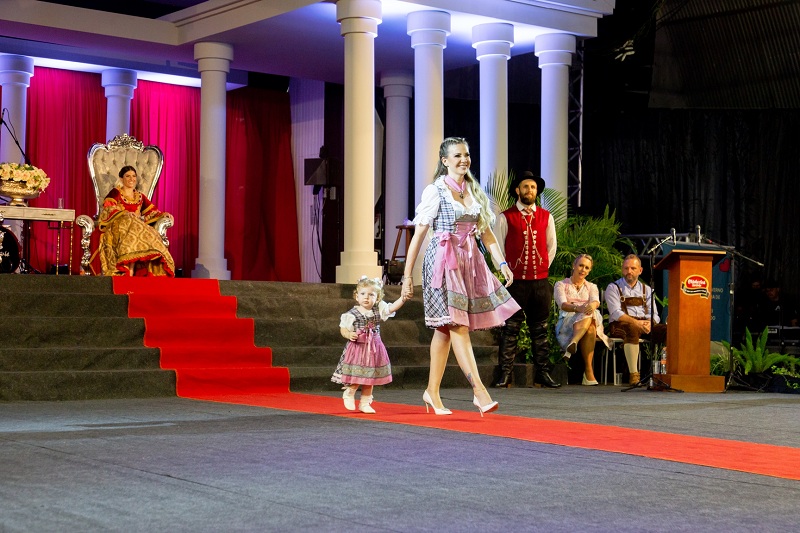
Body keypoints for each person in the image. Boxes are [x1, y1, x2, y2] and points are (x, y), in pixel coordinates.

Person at [401, 137, 520, 416]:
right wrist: (407, 276)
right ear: (445, 161)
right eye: (457, 156)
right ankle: (479, 391)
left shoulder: (475, 192)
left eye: (466, 155)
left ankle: (431, 392)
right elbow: (418, 235)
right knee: (458, 325)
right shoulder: (435, 191)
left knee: (445, 329)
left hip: (470, 262)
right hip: (443, 262)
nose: (464, 160)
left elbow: (487, 234)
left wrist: (501, 262)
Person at [492, 170, 559, 388]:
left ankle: (543, 373)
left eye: (533, 187)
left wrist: (540, 270)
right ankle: (505, 374)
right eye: (525, 187)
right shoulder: (505, 217)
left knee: (539, 329)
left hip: (539, 283)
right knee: (510, 329)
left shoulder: (546, 217)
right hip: (515, 283)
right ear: (517, 190)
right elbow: (496, 248)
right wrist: (505, 272)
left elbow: (552, 247)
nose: (529, 190)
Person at [332, 276, 408, 414]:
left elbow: (391, 309)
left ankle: (365, 402)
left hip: (374, 348)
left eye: (371, 295)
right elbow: (343, 328)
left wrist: (402, 299)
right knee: (357, 373)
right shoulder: (351, 314)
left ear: (377, 298)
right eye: (363, 294)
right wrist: (349, 334)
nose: (366, 297)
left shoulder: (378, 310)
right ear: (356, 296)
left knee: (370, 376)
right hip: (358, 348)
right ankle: (350, 392)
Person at [94, 166, 175, 277]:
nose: (131, 179)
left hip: (135, 226)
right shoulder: (115, 193)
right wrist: (125, 214)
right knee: (130, 220)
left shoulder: (140, 196)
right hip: (120, 226)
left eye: (133, 176)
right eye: (128, 176)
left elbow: (151, 212)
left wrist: (162, 215)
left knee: (143, 231)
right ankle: (128, 270)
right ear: (121, 179)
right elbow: (108, 209)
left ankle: (133, 269)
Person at [604, 254, 667, 384]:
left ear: (640, 270)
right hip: (621, 324)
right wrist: (636, 322)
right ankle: (634, 375)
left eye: (633, 268)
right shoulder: (613, 288)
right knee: (631, 328)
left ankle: (665, 372)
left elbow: (654, 313)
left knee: (667, 331)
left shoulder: (647, 289)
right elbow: (616, 313)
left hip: (644, 323)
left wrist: (650, 323)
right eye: (626, 268)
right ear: (622, 269)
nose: (629, 271)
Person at [553, 254, 611, 385]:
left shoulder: (592, 286)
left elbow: (596, 301)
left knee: (590, 318)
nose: (583, 269)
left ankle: (573, 342)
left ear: (589, 271)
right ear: (574, 266)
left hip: (589, 316)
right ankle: (588, 372)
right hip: (568, 320)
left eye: (586, 267)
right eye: (580, 265)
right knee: (590, 324)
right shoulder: (561, 285)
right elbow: (562, 304)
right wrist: (577, 308)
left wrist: (591, 305)